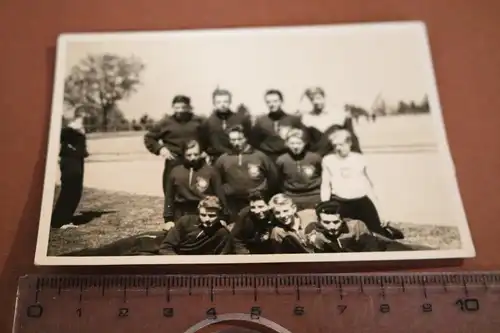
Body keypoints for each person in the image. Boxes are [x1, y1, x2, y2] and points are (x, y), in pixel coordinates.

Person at [320, 129, 404, 240]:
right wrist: (325, 207)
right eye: (335, 145)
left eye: (341, 144)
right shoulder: (328, 160)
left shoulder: (360, 159)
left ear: (349, 143)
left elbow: (371, 185)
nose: (338, 148)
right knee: (344, 236)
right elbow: (325, 185)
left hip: (361, 201)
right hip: (340, 202)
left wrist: (381, 212)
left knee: (377, 236)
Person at [144, 95, 206, 224]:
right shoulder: (165, 123)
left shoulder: (198, 121)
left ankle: (201, 219)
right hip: (175, 161)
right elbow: (149, 137)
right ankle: (171, 220)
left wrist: (206, 152)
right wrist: (160, 149)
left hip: (196, 161)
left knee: (199, 189)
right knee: (172, 192)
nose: (180, 110)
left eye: (183, 107)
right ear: (173, 107)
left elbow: (209, 137)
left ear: (189, 107)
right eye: (177, 107)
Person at [214, 125, 278, 221]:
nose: (236, 143)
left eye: (239, 139)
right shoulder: (223, 159)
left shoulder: (260, 156)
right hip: (234, 203)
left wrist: (263, 192)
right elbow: (217, 181)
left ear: (246, 138)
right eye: (233, 140)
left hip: (257, 201)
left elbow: (274, 177)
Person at [164, 140, 226, 230]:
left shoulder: (211, 171)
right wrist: (168, 219)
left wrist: (223, 217)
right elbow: (169, 196)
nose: (192, 158)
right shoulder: (175, 171)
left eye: (196, 154)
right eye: (189, 155)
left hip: (204, 212)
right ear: (183, 155)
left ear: (201, 154)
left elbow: (220, 195)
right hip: (181, 212)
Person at [51, 105, 89, 229]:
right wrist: (74, 129)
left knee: (76, 191)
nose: (85, 118)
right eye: (84, 116)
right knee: (69, 190)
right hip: (70, 162)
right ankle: (59, 221)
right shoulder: (69, 129)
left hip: (77, 161)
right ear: (79, 116)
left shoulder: (79, 130)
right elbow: (61, 136)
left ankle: (65, 218)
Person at [299, 87, 362, 156]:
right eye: (312, 99)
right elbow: (305, 142)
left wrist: (358, 157)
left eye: (318, 98)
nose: (315, 102)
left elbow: (352, 138)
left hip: (337, 155)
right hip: (316, 156)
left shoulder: (339, 115)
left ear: (324, 97)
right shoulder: (307, 118)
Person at [158, 196, 231, 255]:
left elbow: (221, 257)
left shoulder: (222, 233)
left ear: (219, 216)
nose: (207, 219)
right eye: (203, 215)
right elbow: (166, 247)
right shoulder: (185, 221)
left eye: (212, 216)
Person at [304, 201, 384, 252]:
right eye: (326, 222)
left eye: (336, 222)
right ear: (319, 221)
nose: (332, 227)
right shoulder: (312, 228)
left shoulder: (356, 226)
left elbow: (373, 250)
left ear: (343, 220)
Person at [250, 89, 306, 161]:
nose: (272, 104)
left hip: (289, 158)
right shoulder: (261, 121)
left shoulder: (293, 119)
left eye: (275, 101)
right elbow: (254, 142)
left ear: (281, 101)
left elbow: (304, 138)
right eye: (268, 102)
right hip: (268, 158)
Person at [200, 88, 253, 163]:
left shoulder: (240, 120)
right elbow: (203, 143)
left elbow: (249, 139)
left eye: (225, 101)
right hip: (216, 159)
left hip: (236, 157)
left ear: (230, 102)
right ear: (214, 103)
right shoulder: (208, 122)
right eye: (218, 102)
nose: (222, 104)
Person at [275, 128, 322, 210]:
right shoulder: (282, 160)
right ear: (287, 144)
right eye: (292, 143)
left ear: (305, 143)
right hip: (292, 197)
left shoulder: (315, 158)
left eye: (299, 143)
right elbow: (278, 180)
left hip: (314, 196)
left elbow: (323, 175)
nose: (295, 146)